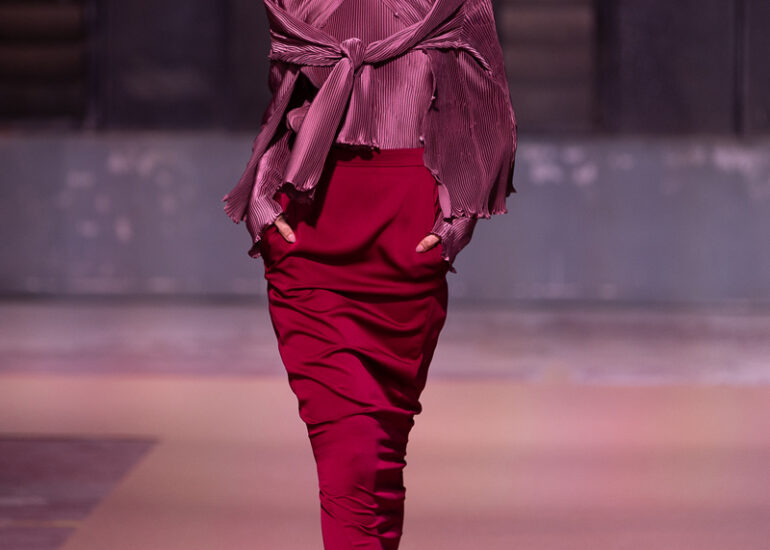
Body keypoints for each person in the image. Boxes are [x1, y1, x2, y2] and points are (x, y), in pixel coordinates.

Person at [222, 0, 517, 547]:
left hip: (404, 248)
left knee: (378, 460)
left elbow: (484, 102)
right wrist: (262, 200)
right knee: (351, 460)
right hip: (310, 240)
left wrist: (456, 221)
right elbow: (284, 101)